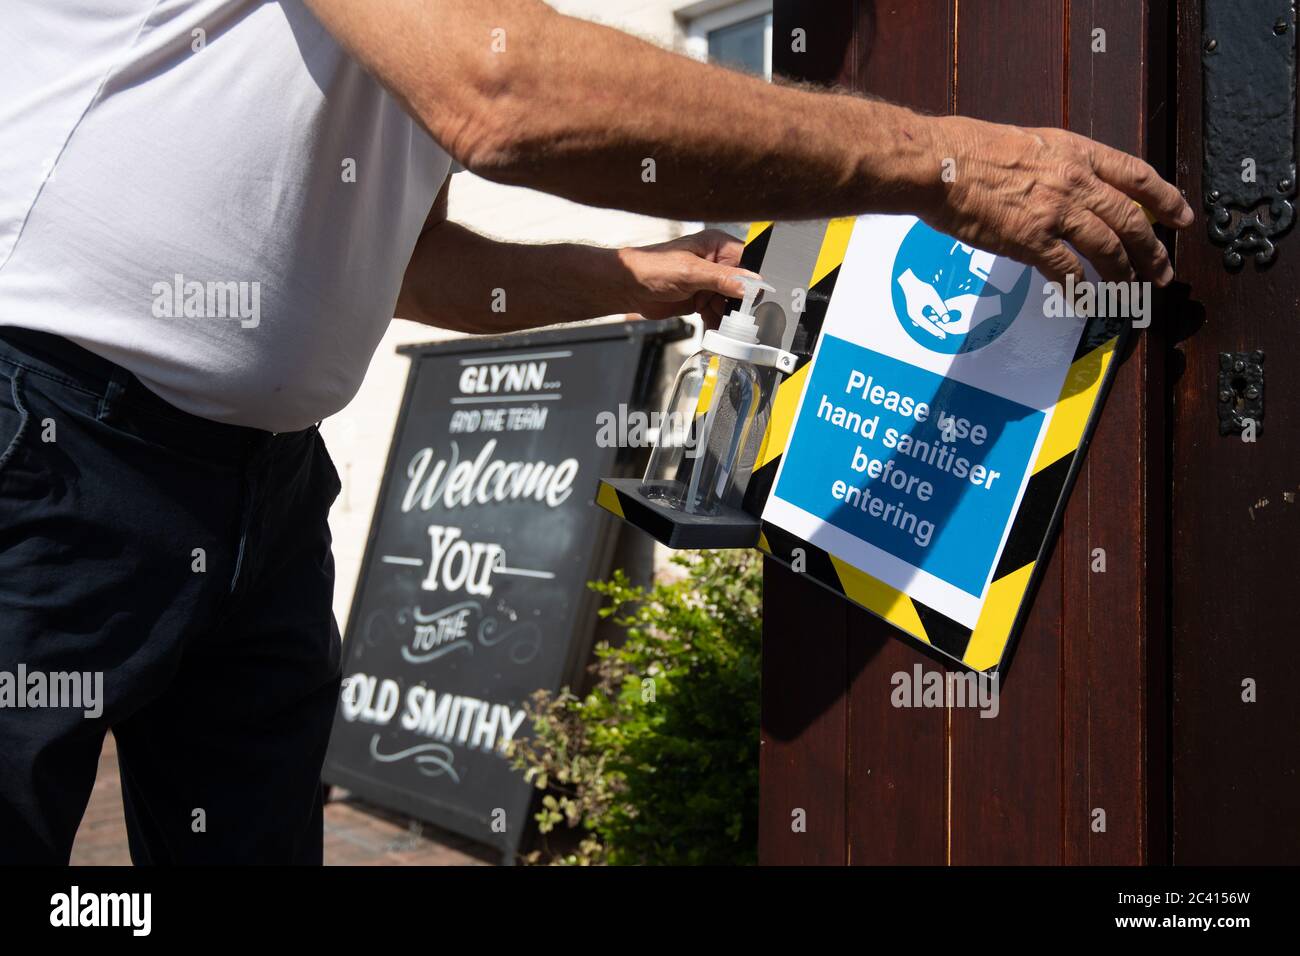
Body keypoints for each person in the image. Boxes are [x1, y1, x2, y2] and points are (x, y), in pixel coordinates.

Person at [0, 0, 1192, 865]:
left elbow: (403, 256)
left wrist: (627, 274)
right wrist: (937, 160)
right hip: (49, 438)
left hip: (260, 486)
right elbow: (501, 91)